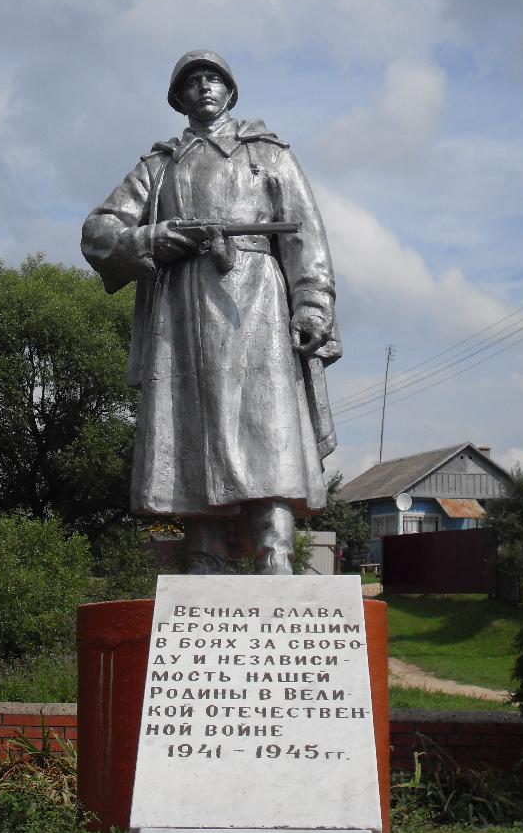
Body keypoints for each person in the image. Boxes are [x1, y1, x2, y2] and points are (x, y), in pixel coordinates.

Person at [81, 50, 341, 574]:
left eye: (213, 78)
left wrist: (313, 306)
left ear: (230, 91)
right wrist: (152, 237)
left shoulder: (267, 155)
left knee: (267, 424)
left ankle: (276, 557)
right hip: (182, 310)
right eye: (192, 81)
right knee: (190, 428)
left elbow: (306, 238)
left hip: (258, 305)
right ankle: (204, 561)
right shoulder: (159, 166)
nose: (204, 86)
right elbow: (99, 232)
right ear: (178, 98)